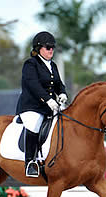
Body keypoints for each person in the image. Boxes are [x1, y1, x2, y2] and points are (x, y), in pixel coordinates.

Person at [16, 31, 67, 177]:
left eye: (52, 47)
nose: (51, 50)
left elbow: (58, 84)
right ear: (39, 49)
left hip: (49, 107)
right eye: (47, 47)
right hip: (31, 107)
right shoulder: (30, 64)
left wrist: (62, 93)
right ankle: (30, 163)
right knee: (34, 124)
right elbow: (34, 85)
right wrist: (48, 99)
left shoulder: (53, 65)